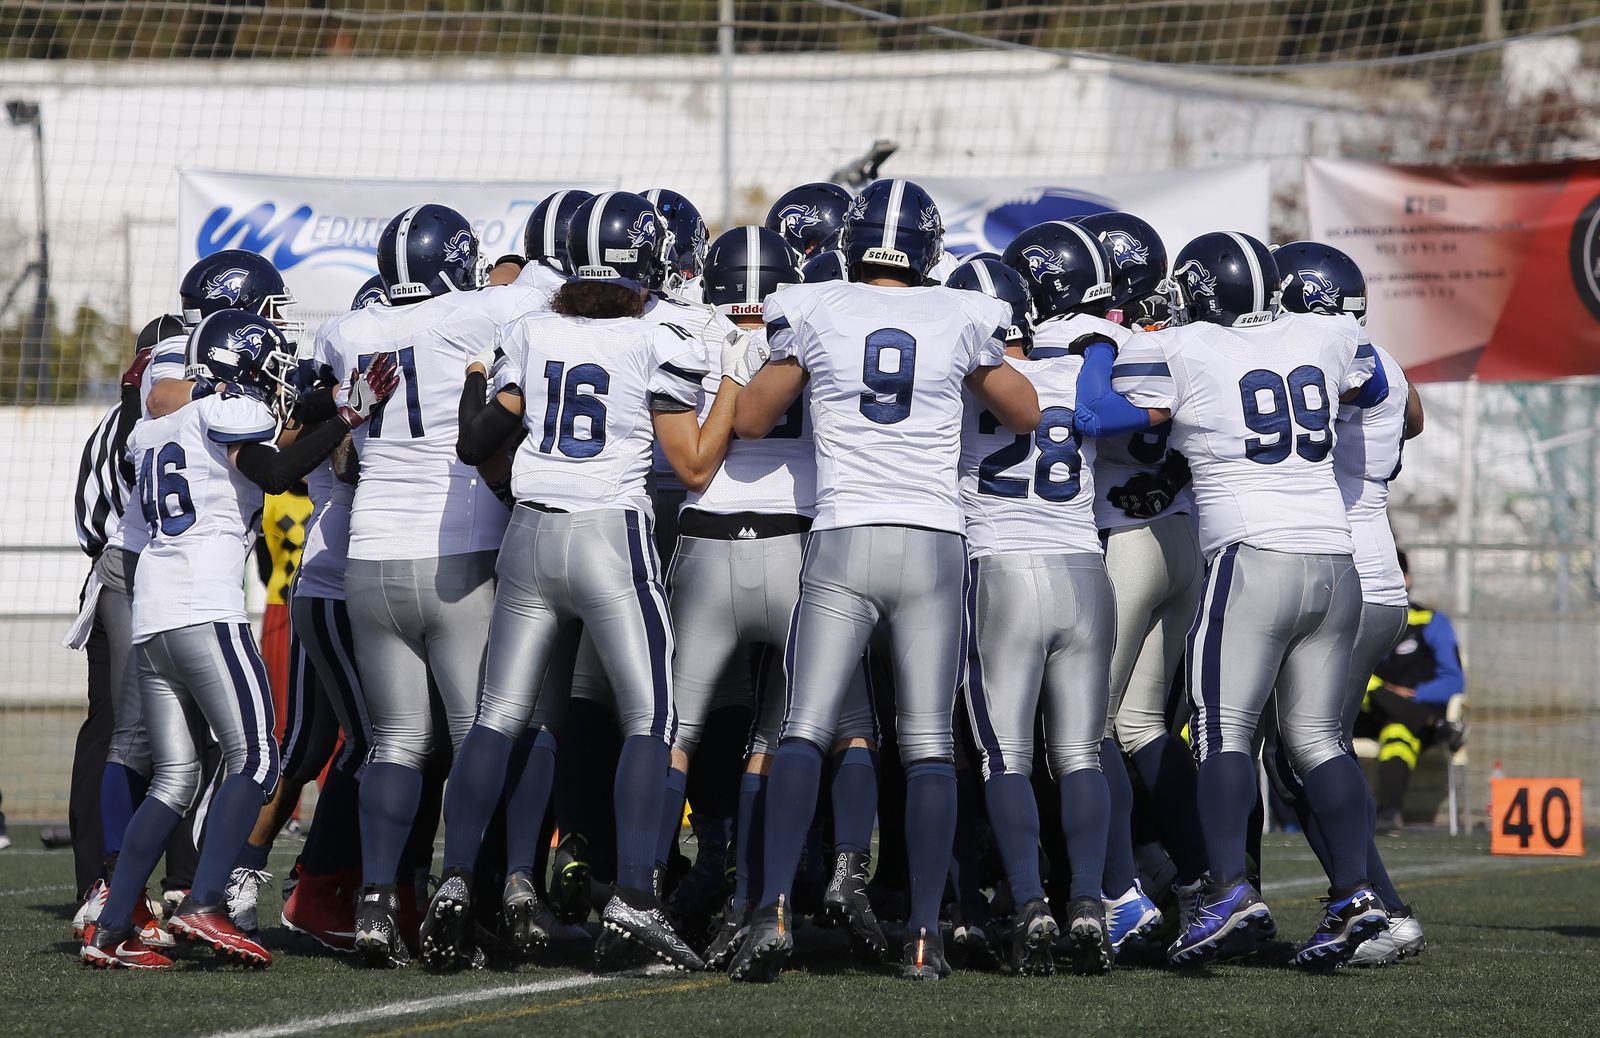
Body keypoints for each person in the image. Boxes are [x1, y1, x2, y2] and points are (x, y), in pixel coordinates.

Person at [727, 178, 1041, 982]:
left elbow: (755, 418)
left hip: (843, 534)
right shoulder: (962, 314)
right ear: (929, 248)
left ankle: (769, 914)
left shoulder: (814, 304)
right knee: (929, 741)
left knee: (803, 725)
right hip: (933, 538)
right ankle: (927, 935)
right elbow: (1025, 411)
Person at [419, 190, 736, 973]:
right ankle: (634, 896)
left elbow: (476, 441)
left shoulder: (527, 329)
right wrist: (733, 382)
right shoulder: (657, 334)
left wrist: (472, 379)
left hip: (529, 533)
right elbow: (693, 463)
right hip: (608, 536)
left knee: (498, 715)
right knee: (653, 718)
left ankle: (456, 881)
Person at [1077, 230, 1392, 969]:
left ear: (1203, 292)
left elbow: (1096, 415)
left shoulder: (1184, 349)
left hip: (1250, 556)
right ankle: (1357, 895)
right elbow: (1373, 389)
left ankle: (1226, 891)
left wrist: (1101, 348)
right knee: (1318, 739)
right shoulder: (1329, 331)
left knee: (1224, 734)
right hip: (1335, 558)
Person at [81, 310, 395, 969]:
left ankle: (109, 927)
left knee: (173, 777)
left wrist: (326, 403)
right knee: (256, 758)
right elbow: (276, 475)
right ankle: (203, 902)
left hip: (155, 614)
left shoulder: (154, 428)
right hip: (205, 606)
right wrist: (348, 418)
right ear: (237, 366)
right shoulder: (224, 412)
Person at [325, 203, 510, 968]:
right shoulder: (480, 312)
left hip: (369, 554)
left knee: (396, 739)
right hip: (457, 550)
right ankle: (459, 893)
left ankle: (375, 902)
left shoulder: (345, 330)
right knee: (475, 734)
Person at [1005, 216, 1183, 954]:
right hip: (1185, 534)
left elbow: (1087, 411)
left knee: (1075, 736)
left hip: (1091, 541)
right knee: (1154, 726)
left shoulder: (1051, 342)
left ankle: (1116, 886)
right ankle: (1201, 879)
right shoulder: (1173, 341)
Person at [949, 255, 1118, 976]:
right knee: (1079, 753)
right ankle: (1086, 901)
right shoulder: (1075, 370)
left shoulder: (955, 383)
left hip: (1001, 569)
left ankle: (1029, 903)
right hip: (1084, 568)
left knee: (1005, 755)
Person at [1271, 241, 1429, 965]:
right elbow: (1414, 418)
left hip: (1348, 577)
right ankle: (1379, 904)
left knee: (1308, 752)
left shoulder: (1332, 363)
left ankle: (1370, 908)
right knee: (1305, 750)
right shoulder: (1381, 358)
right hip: (1379, 578)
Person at [1361, 552, 1468, 832]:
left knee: (1398, 731)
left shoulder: (1431, 621)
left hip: (1406, 715)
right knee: (1357, 680)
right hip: (1362, 712)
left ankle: (1389, 813)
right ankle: (1439, 727)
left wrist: (1413, 695)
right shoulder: (1359, 623)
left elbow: (1454, 681)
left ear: (1406, 580)